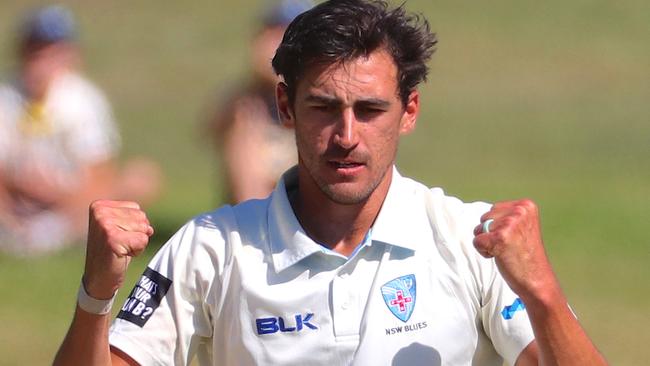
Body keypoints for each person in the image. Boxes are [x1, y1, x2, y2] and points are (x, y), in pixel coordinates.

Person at [55, 0, 607, 365]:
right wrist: (96, 294)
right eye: (323, 107)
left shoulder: (469, 239)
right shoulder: (210, 248)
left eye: (370, 109)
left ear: (409, 110)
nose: (346, 135)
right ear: (285, 106)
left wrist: (542, 293)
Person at [0, 5, 161, 255]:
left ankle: (58, 235)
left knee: (140, 178)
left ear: (70, 55)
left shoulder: (83, 100)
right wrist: (21, 188)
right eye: (35, 51)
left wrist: (57, 195)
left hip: (69, 205)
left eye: (50, 52)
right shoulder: (7, 98)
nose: (41, 63)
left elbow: (99, 176)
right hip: (17, 204)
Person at [205, 0, 312, 204]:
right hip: (261, 188)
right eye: (272, 32)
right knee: (243, 134)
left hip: (303, 187)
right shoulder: (245, 95)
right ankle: (252, 226)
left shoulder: (315, 90)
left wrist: (275, 72)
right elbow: (210, 128)